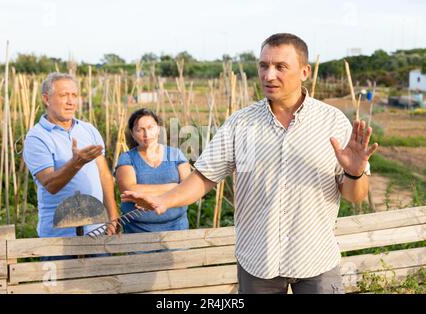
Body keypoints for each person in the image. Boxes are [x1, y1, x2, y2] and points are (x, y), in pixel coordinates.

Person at [120, 33, 379, 294]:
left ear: (304, 71)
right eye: (263, 65)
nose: (268, 75)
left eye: (280, 67)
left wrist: (355, 173)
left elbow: (354, 196)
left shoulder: (332, 123)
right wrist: (166, 200)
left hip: (316, 261)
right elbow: (204, 177)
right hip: (258, 261)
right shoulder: (241, 124)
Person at [23, 72, 120, 244]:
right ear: (46, 99)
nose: (71, 101)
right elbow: (50, 185)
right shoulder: (37, 138)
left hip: (97, 230)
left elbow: (104, 176)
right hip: (59, 236)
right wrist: (77, 163)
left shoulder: (88, 130)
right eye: (64, 95)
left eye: (74, 95)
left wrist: (112, 214)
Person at [115, 108, 191, 233]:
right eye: (140, 130)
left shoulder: (176, 154)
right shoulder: (127, 158)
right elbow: (130, 190)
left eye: (150, 127)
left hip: (177, 228)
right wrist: (174, 187)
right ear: (133, 134)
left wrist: (145, 193)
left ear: (159, 129)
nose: (146, 134)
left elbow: (188, 188)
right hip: (138, 231)